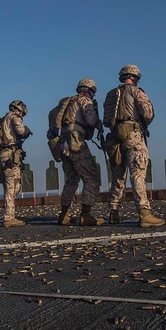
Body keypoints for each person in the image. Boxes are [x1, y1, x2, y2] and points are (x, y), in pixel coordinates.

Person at [103, 65, 164, 227]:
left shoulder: (110, 95)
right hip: (133, 134)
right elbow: (148, 114)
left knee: (118, 174)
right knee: (137, 173)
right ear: (135, 77)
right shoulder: (136, 92)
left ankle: (113, 212)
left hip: (114, 136)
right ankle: (144, 213)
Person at [54, 79, 103, 226]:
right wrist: (99, 124)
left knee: (71, 179)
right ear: (89, 90)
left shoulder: (67, 102)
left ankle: (64, 215)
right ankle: (86, 214)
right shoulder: (83, 100)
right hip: (75, 141)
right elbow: (91, 119)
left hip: (63, 143)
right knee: (92, 176)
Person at [0, 100, 32, 227]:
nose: (22, 116)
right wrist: (27, 130)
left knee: (9, 187)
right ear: (19, 110)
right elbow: (21, 131)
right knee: (13, 187)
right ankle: (8, 217)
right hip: (11, 155)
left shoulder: (3, 119)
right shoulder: (14, 117)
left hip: (2, 154)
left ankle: (9, 215)